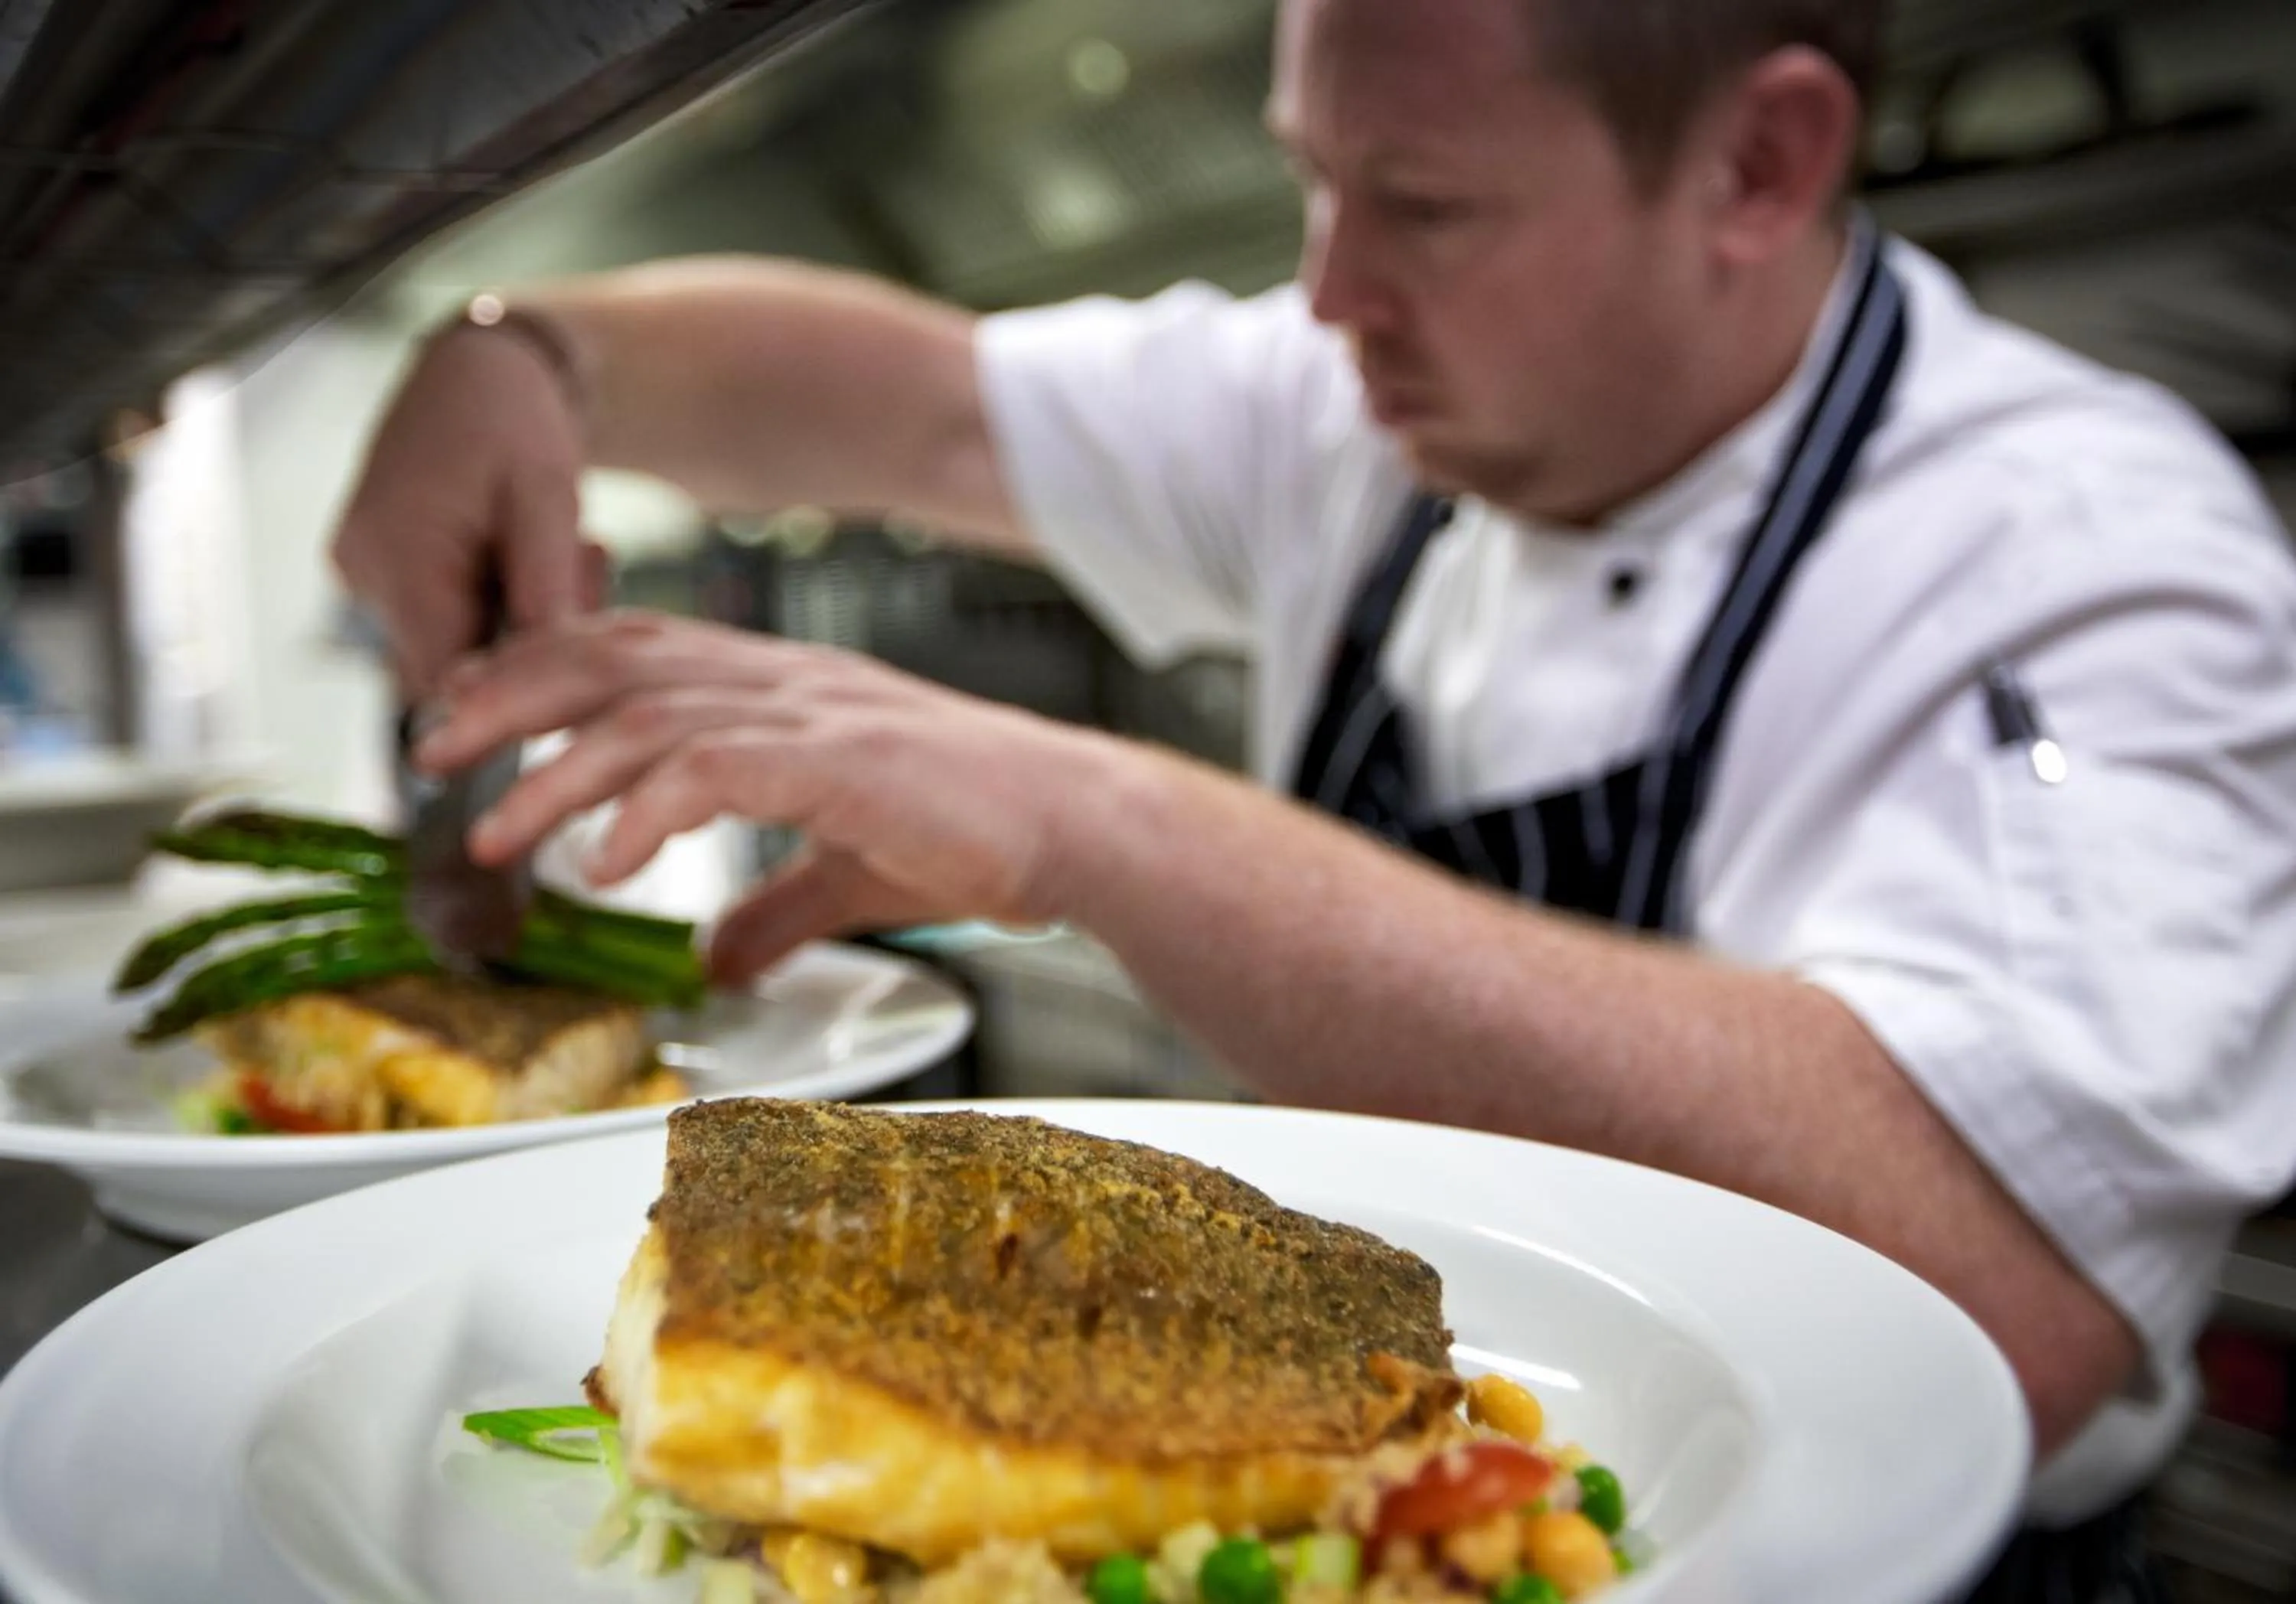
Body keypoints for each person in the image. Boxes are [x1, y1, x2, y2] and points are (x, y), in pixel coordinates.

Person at [333, 0, 2296, 1593]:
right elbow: (923, 402)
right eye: (1312, 182)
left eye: (1423, 203)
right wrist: (532, 358)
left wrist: (1111, 822)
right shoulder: (1375, 413)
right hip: (1312, 1454)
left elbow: (2007, 1298)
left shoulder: (2089, 556)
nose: (1331, 289)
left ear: (1758, 166)